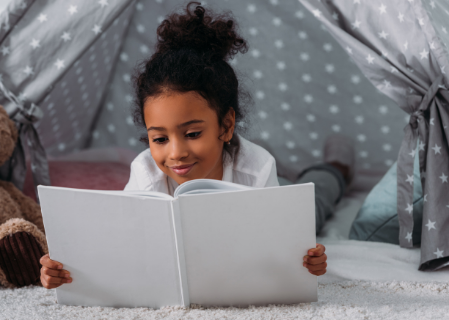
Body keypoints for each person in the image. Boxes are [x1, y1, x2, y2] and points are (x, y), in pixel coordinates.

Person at [39, 2, 336, 290]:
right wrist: (63, 267)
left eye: (192, 133)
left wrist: (309, 261)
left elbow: (282, 247)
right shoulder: (145, 173)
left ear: (226, 125)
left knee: (316, 203)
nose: (176, 153)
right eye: (159, 139)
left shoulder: (258, 168)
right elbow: (119, 246)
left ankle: (335, 167)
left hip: (275, 185)